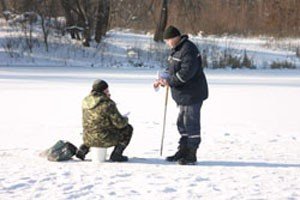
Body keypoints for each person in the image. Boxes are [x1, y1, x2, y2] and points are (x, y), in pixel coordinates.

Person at [153, 25, 208, 165]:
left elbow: (186, 73)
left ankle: (191, 154)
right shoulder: (176, 50)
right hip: (182, 94)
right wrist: (162, 78)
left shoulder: (188, 49)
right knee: (182, 123)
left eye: (168, 40)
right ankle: (182, 150)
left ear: (175, 38)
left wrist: (169, 81)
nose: (167, 43)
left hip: (192, 93)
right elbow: (171, 69)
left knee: (191, 123)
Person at [76, 79, 133, 162]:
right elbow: (120, 124)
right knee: (128, 128)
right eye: (107, 90)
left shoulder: (85, 101)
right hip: (104, 139)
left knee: (94, 127)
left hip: (87, 138)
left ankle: (83, 149)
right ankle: (117, 154)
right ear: (104, 90)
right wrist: (125, 119)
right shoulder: (107, 103)